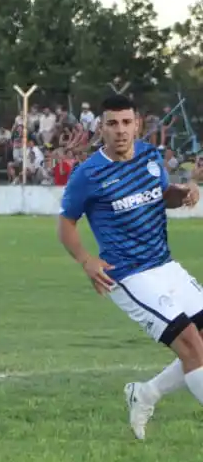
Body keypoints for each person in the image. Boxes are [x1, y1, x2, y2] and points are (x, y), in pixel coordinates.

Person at [58, 94, 201, 440]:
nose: (120, 130)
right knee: (191, 345)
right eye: (112, 123)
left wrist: (183, 193)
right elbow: (66, 224)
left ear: (137, 124)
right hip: (128, 274)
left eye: (126, 122)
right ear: (101, 128)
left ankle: (145, 393)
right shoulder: (88, 174)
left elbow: (161, 194)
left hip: (165, 265)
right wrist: (86, 260)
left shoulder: (151, 158)